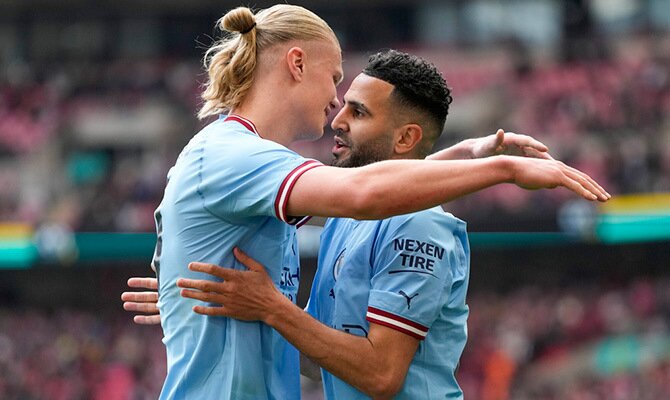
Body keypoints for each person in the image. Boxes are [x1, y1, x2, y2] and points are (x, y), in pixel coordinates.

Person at [137, 4, 609, 400]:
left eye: (354, 107)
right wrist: (500, 170)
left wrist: (464, 155)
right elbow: (363, 193)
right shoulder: (235, 155)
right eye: (336, 80)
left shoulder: (255, 168)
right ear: (297, 64)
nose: (335, 108)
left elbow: (370, 194)